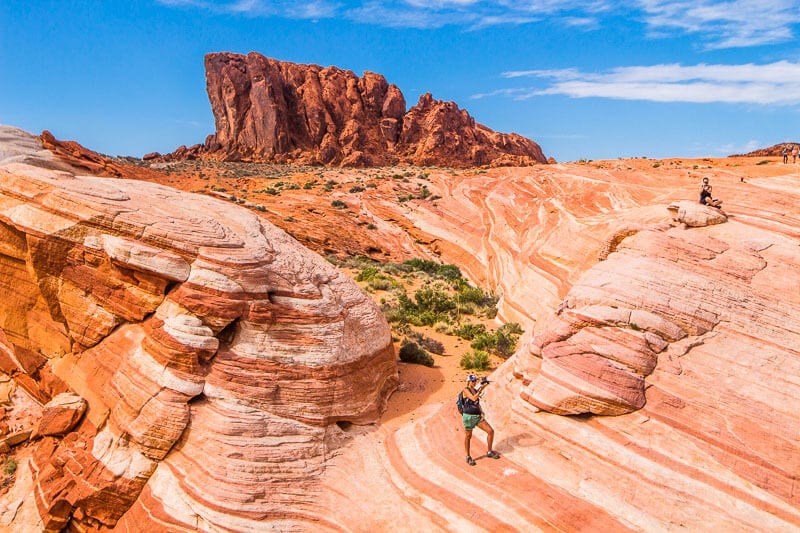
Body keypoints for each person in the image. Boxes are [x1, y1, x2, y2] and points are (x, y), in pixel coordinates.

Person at [461, 374, 500, 466]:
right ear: (468, 382)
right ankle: (468, 456)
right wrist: (481, 388)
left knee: (490, 431)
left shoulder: (475, 390)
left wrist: (481, 412)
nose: (474, 382)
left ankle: (489, 452)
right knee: (468, 436)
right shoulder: (465, 390)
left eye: (475, 381)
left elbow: (476, 402)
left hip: (477, 416)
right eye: (473, 381)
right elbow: (473, 398)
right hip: (468, 417)